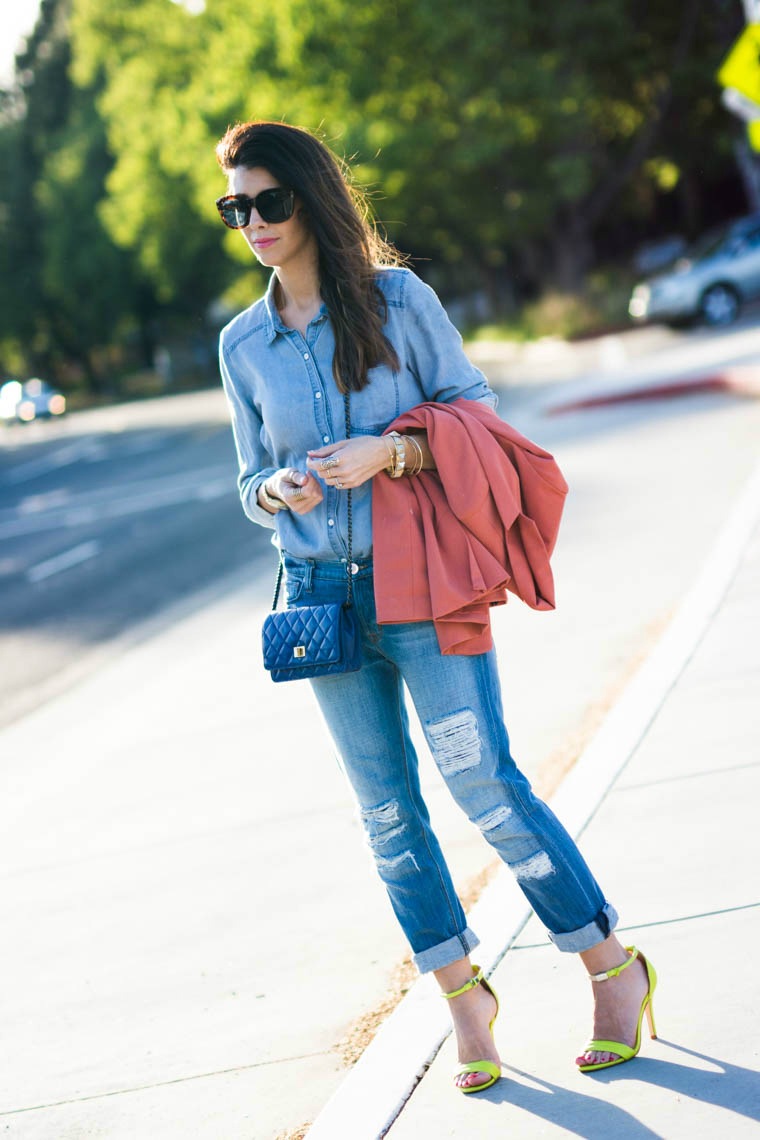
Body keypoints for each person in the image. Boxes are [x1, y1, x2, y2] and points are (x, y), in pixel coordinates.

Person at [215, 120, 657, 1092]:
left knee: (485, 788)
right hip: (322, 601)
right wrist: (275, 492)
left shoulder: (397, 301)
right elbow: (246, 480)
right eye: (235, 207)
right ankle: (465, 1000)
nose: (252, 222)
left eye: (268, 201)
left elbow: (478, 414)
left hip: (423, 588)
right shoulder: (242, 344)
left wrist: (392, 452)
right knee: (384, 815)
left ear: (310, 198)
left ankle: (610, 967)